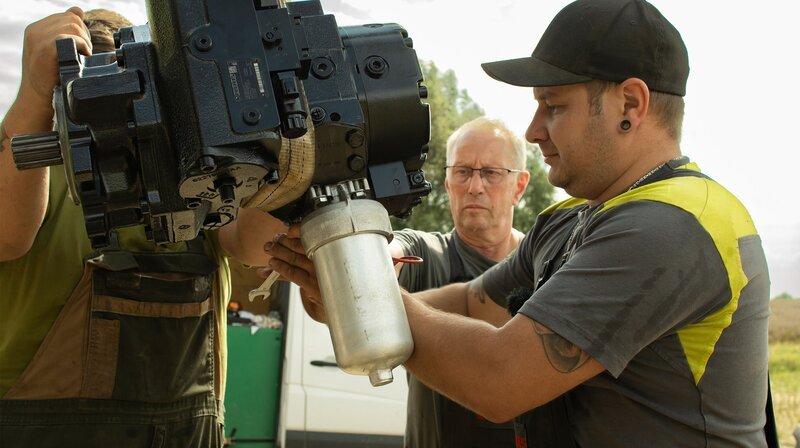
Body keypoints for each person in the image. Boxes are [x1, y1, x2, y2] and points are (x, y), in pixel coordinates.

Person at [263, 0, 772, 446]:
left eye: (553, 107)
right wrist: (347, 296)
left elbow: (499, 380)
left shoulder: (670, 226)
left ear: (630, 105)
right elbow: (469, 301)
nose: (534, 131)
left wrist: (367, 305)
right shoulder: (569, 221)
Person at [0, 8, 286, 447]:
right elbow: (6, 235)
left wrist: (276, 110)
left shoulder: (195, 171)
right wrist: (33, 97)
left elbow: (257, 242)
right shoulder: (25, 160)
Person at [392, 117, 529, 448]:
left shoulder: (547, 266)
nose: (475, 186)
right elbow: (384, 252)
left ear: (519, 187)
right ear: (447, 183)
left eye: (491, 173)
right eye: (463, 171)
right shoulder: (424, 253)